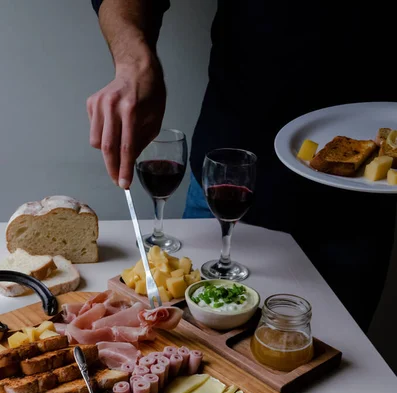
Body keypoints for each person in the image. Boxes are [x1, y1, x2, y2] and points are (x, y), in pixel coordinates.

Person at [88, 0, 396, 333]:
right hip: (225, 179)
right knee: (189, 344)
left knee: (336, 362)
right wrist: (134, 61)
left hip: (360, 210)